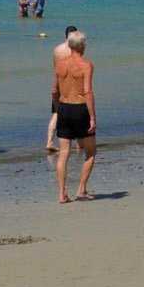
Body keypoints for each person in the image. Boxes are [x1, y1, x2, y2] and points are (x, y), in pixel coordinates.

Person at [52, 32, 96, 202]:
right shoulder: (86, 65)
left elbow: (54, 90)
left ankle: (62, 193)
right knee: (91, 151)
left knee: (64, 153)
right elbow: (88, 92)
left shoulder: (60, 64)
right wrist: (92, 116)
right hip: (80, 108)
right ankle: (81, 190)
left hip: (64, 108)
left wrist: (58, 109)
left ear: (69, 45)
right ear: (82, 46)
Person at [45, 25, 80, 153]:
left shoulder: (57, 49)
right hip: (71, 84)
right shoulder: (75, 49)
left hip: (58, 82)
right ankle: (79, 142)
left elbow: (56, 68)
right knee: (76, 110)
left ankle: (49, 141)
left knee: (56, 112)